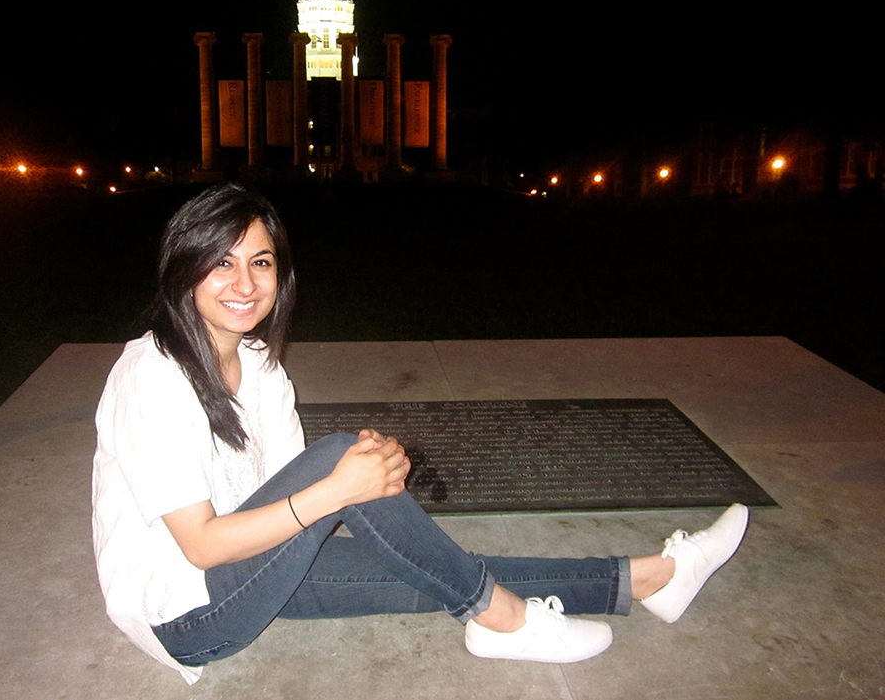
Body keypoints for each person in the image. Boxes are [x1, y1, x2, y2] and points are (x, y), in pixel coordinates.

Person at [91, 183, 749, 685]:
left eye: (260, 262)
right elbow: (204, 545)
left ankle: (648, 579)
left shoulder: (262, 367)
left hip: (254, 569)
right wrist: (344, 482)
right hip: (187, 611)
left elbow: (287, 496)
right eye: (223, 263)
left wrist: (371, 478)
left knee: (429, 568)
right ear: (185, 269)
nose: (244, 283)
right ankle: (500, 619)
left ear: (280, 276)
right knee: (341, 463)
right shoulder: (151, 377)